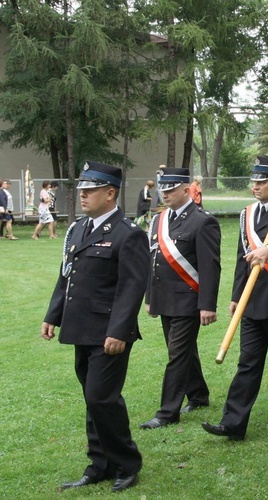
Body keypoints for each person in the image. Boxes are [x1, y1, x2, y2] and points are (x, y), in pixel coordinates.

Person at [41, 161, 148, 492]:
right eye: (81, 191)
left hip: (109, 334)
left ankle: (127, 463)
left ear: (110, 193)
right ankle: (99, 464)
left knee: (102, 398)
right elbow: (67, 277)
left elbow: (131, 288)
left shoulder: (127, 234)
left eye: (89, 191)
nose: (83, 196)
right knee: (93, 399)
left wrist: (117, 330)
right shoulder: (78, 230)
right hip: (80, 329)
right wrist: (52, 315)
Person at [202, 157, 268, 441]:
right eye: (254, 182)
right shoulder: (247, 214)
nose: (255, 186)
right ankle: (233, 423)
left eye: (262, 182)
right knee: (247, 363)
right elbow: (242, 258)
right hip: (252, 303)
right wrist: (237, 296)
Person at [140, 168, 221, 429]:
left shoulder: (202, 221)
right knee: (184, 351)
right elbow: (152, 261)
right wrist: (150, 298)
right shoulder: (158, 221)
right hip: (165, 298)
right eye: (162, 190)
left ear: (186, 189)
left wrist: (207, 305)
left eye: (171, 189)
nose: (165, 194)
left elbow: (210, 267)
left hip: (188, 298)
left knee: (177, 354)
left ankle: (167, 412)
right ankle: (198, 395)